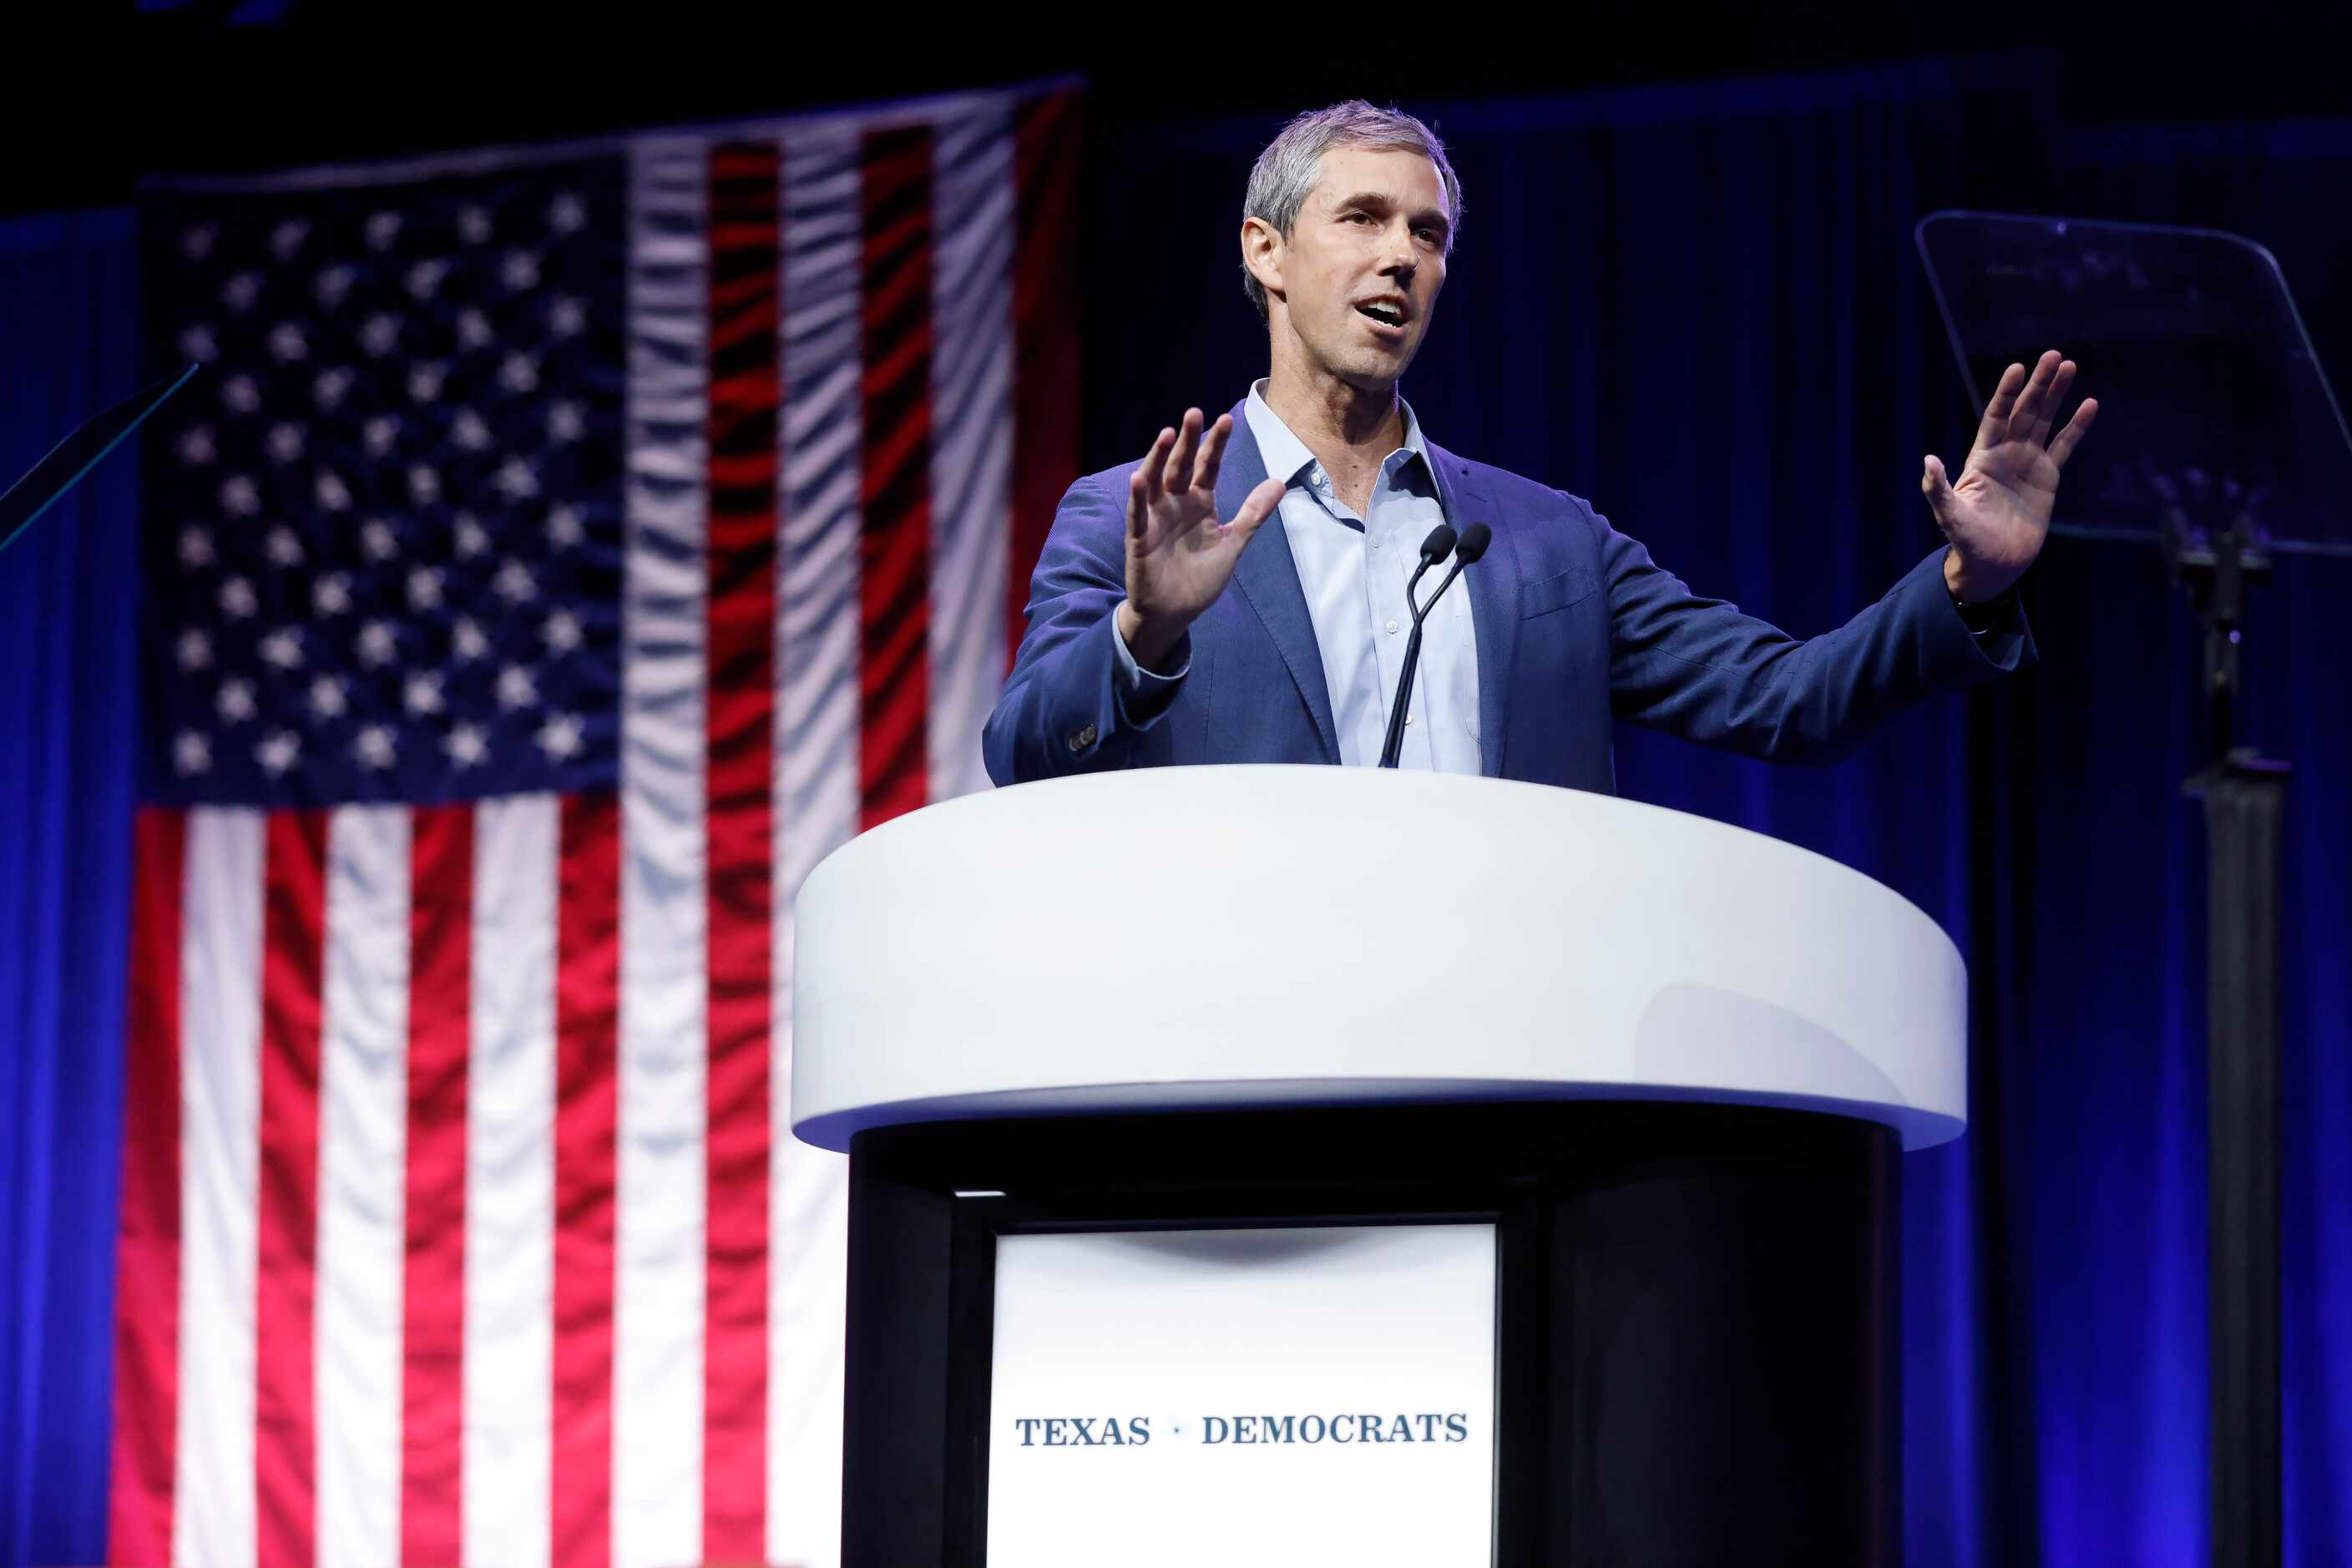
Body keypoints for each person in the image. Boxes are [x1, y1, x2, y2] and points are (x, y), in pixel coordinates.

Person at [981, 101, 2097, 792]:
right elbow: (1023, 755)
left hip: (1514, 1068)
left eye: (1428, 233)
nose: (1402, 257)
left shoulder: (1545, 542)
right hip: (1248, 1070)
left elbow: (1789, 699)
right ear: (1265, 251)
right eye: (1362, 219)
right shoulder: (1129, 515)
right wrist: (1145, 630)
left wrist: (1967, 583)